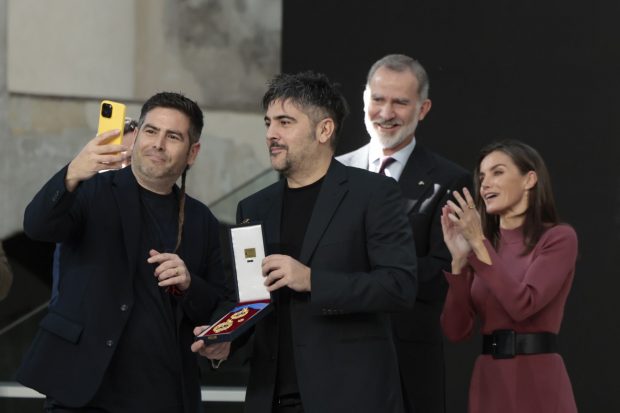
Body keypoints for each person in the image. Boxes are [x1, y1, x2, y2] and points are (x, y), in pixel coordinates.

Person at [193, 71, 418, 413]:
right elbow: (250, 297)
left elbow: (399, 286)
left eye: (285, 122)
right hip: (270, 399)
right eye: (268, 123)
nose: (271, 134)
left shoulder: (373, 194)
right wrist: (227, 338)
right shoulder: (253, 207)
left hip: (350, 398)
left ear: (324, 130)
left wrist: (312, 280)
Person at [18, 92, 228, 412]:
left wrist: (189, 284)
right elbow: (37, 227)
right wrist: (73, 171)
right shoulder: (92, 191)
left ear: (192, 153)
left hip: (163, 394)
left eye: (173, 136)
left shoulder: (204, 221)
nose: (158, 143)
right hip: (83, 391)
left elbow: (221, 302)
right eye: (151, 131)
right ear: (138, 135)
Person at [336, 54, 470, 413]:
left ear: (423, 109)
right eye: (378, 99)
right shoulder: (333, 173)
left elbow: (444, 269)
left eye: (400, 102)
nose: (386, 112)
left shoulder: (450, 180)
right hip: (337, 353)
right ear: (364, 99)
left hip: (407, 359)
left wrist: (369, 280)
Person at [440, 140, 578, 413]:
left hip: (538, 380)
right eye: (481, 177)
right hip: (489, 380)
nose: (485, 184)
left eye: (497, 172)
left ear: (529, 179)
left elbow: (522, 304)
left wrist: (479, 243)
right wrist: (458, 260)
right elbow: (455, 331)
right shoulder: (482, 248)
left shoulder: (558, 238)